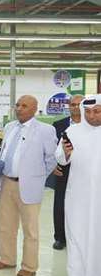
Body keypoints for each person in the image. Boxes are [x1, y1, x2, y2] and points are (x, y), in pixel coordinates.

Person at [0, 95, 57, 276]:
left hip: (29, 186)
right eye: (17, 105)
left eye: (24, 105)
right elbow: (4, 152)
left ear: (35, 109)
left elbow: (51, 159)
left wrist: (37, 177)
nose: (19, 108)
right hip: (6, 183)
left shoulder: (45, 130)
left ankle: (29, 266)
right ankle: (7, 259)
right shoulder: (9, 127)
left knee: (30, 229)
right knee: (5, 226)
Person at [55, 94, 101, 276]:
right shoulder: (72, 131)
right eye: (88, 111)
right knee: (77, 237)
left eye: (97, 111)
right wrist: (64, 153)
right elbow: (61, 160)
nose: (92, 116)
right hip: (79, 196)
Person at [51, 94, 84, 250]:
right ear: (68, 106)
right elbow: (50, 148)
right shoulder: (58, 125)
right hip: (63, 170)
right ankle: (60, 238)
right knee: (60, 204)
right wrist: (52, 165)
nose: (76, 107)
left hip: (86, 172)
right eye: (73, 104)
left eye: (79, 104)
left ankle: (82, 237)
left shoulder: (93, 125)